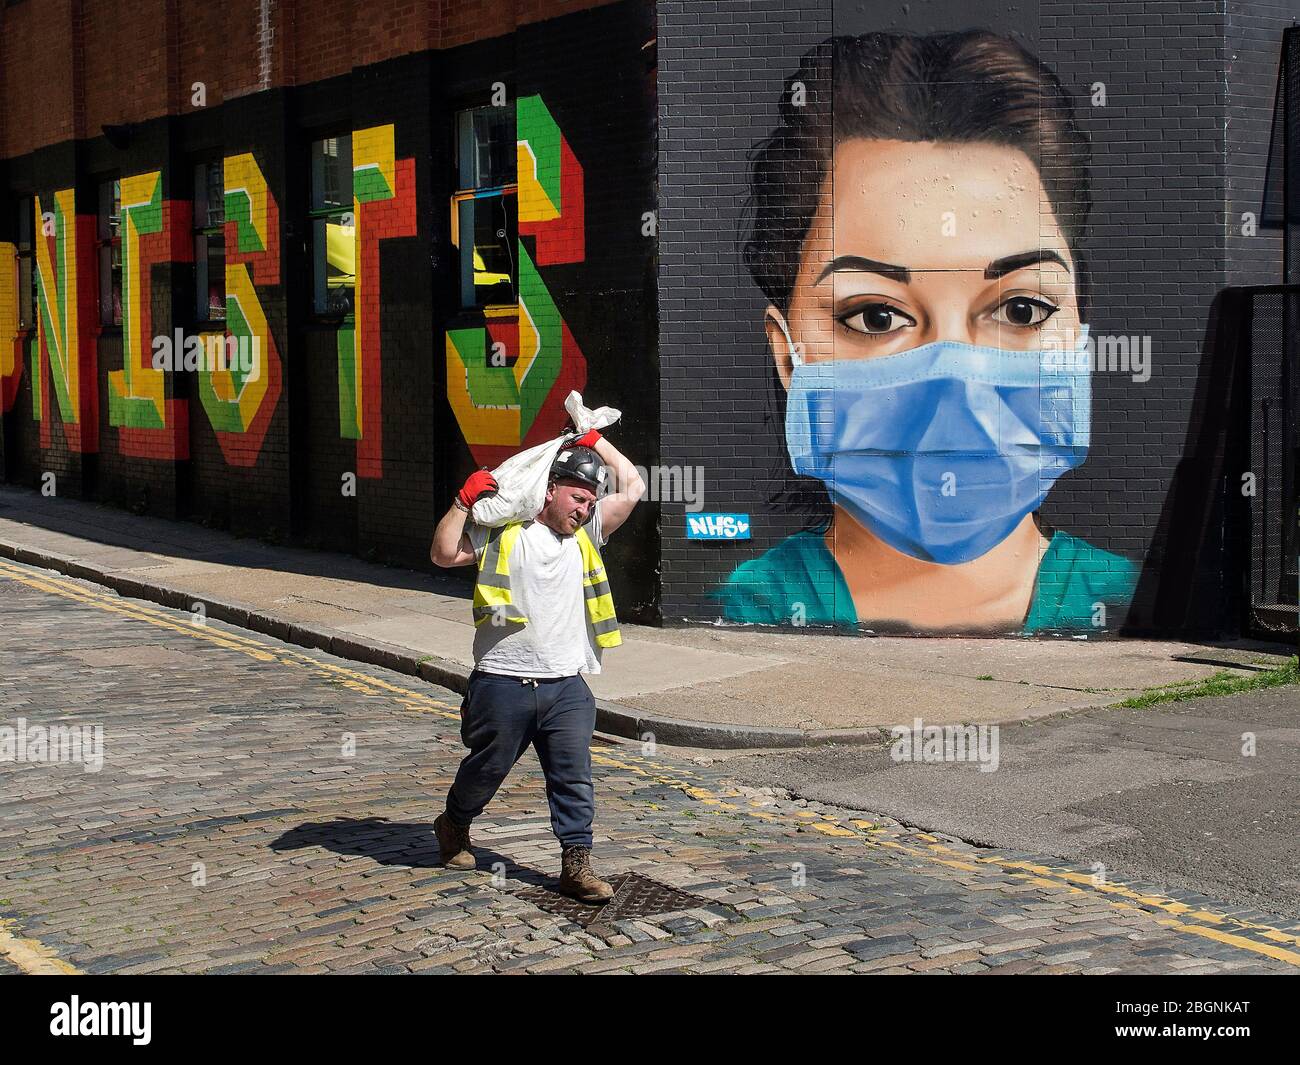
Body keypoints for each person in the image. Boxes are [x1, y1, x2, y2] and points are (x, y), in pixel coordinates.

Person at [713, 30, 1138, 634]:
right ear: (789, 357)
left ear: (1078, 339)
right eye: (876, 316)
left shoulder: (1130, 598)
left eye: (1021, 310)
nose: (955, 377)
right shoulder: (740, 613)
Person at [429, 429, 646, 902]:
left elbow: (632, 487)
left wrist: (594, 440)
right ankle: (454, 823)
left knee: (574, 776)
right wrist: (461, 503)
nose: (584, 508)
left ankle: (577, 864)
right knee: (486, 770)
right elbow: (444, 554)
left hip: (566, 683)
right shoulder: (501, 531)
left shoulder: (589, 535)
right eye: (577, 497)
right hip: (503, 679)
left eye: (591, 501)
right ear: (549, 490)